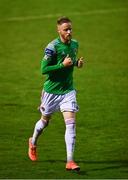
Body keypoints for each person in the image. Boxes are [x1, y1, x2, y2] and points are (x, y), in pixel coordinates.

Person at [28, 16, 84, 171]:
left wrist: (76, 64)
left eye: (70, 28)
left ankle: (70, 161)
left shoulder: (75, 44)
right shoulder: (52, 47)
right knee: (44, 122)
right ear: (58, 30)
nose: (69, 32)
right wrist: (61, 65)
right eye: (66, 29)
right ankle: (33, 142)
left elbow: (70, 62)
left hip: (68, 91)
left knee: (71, 124)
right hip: (51, 92)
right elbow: (43, 70)